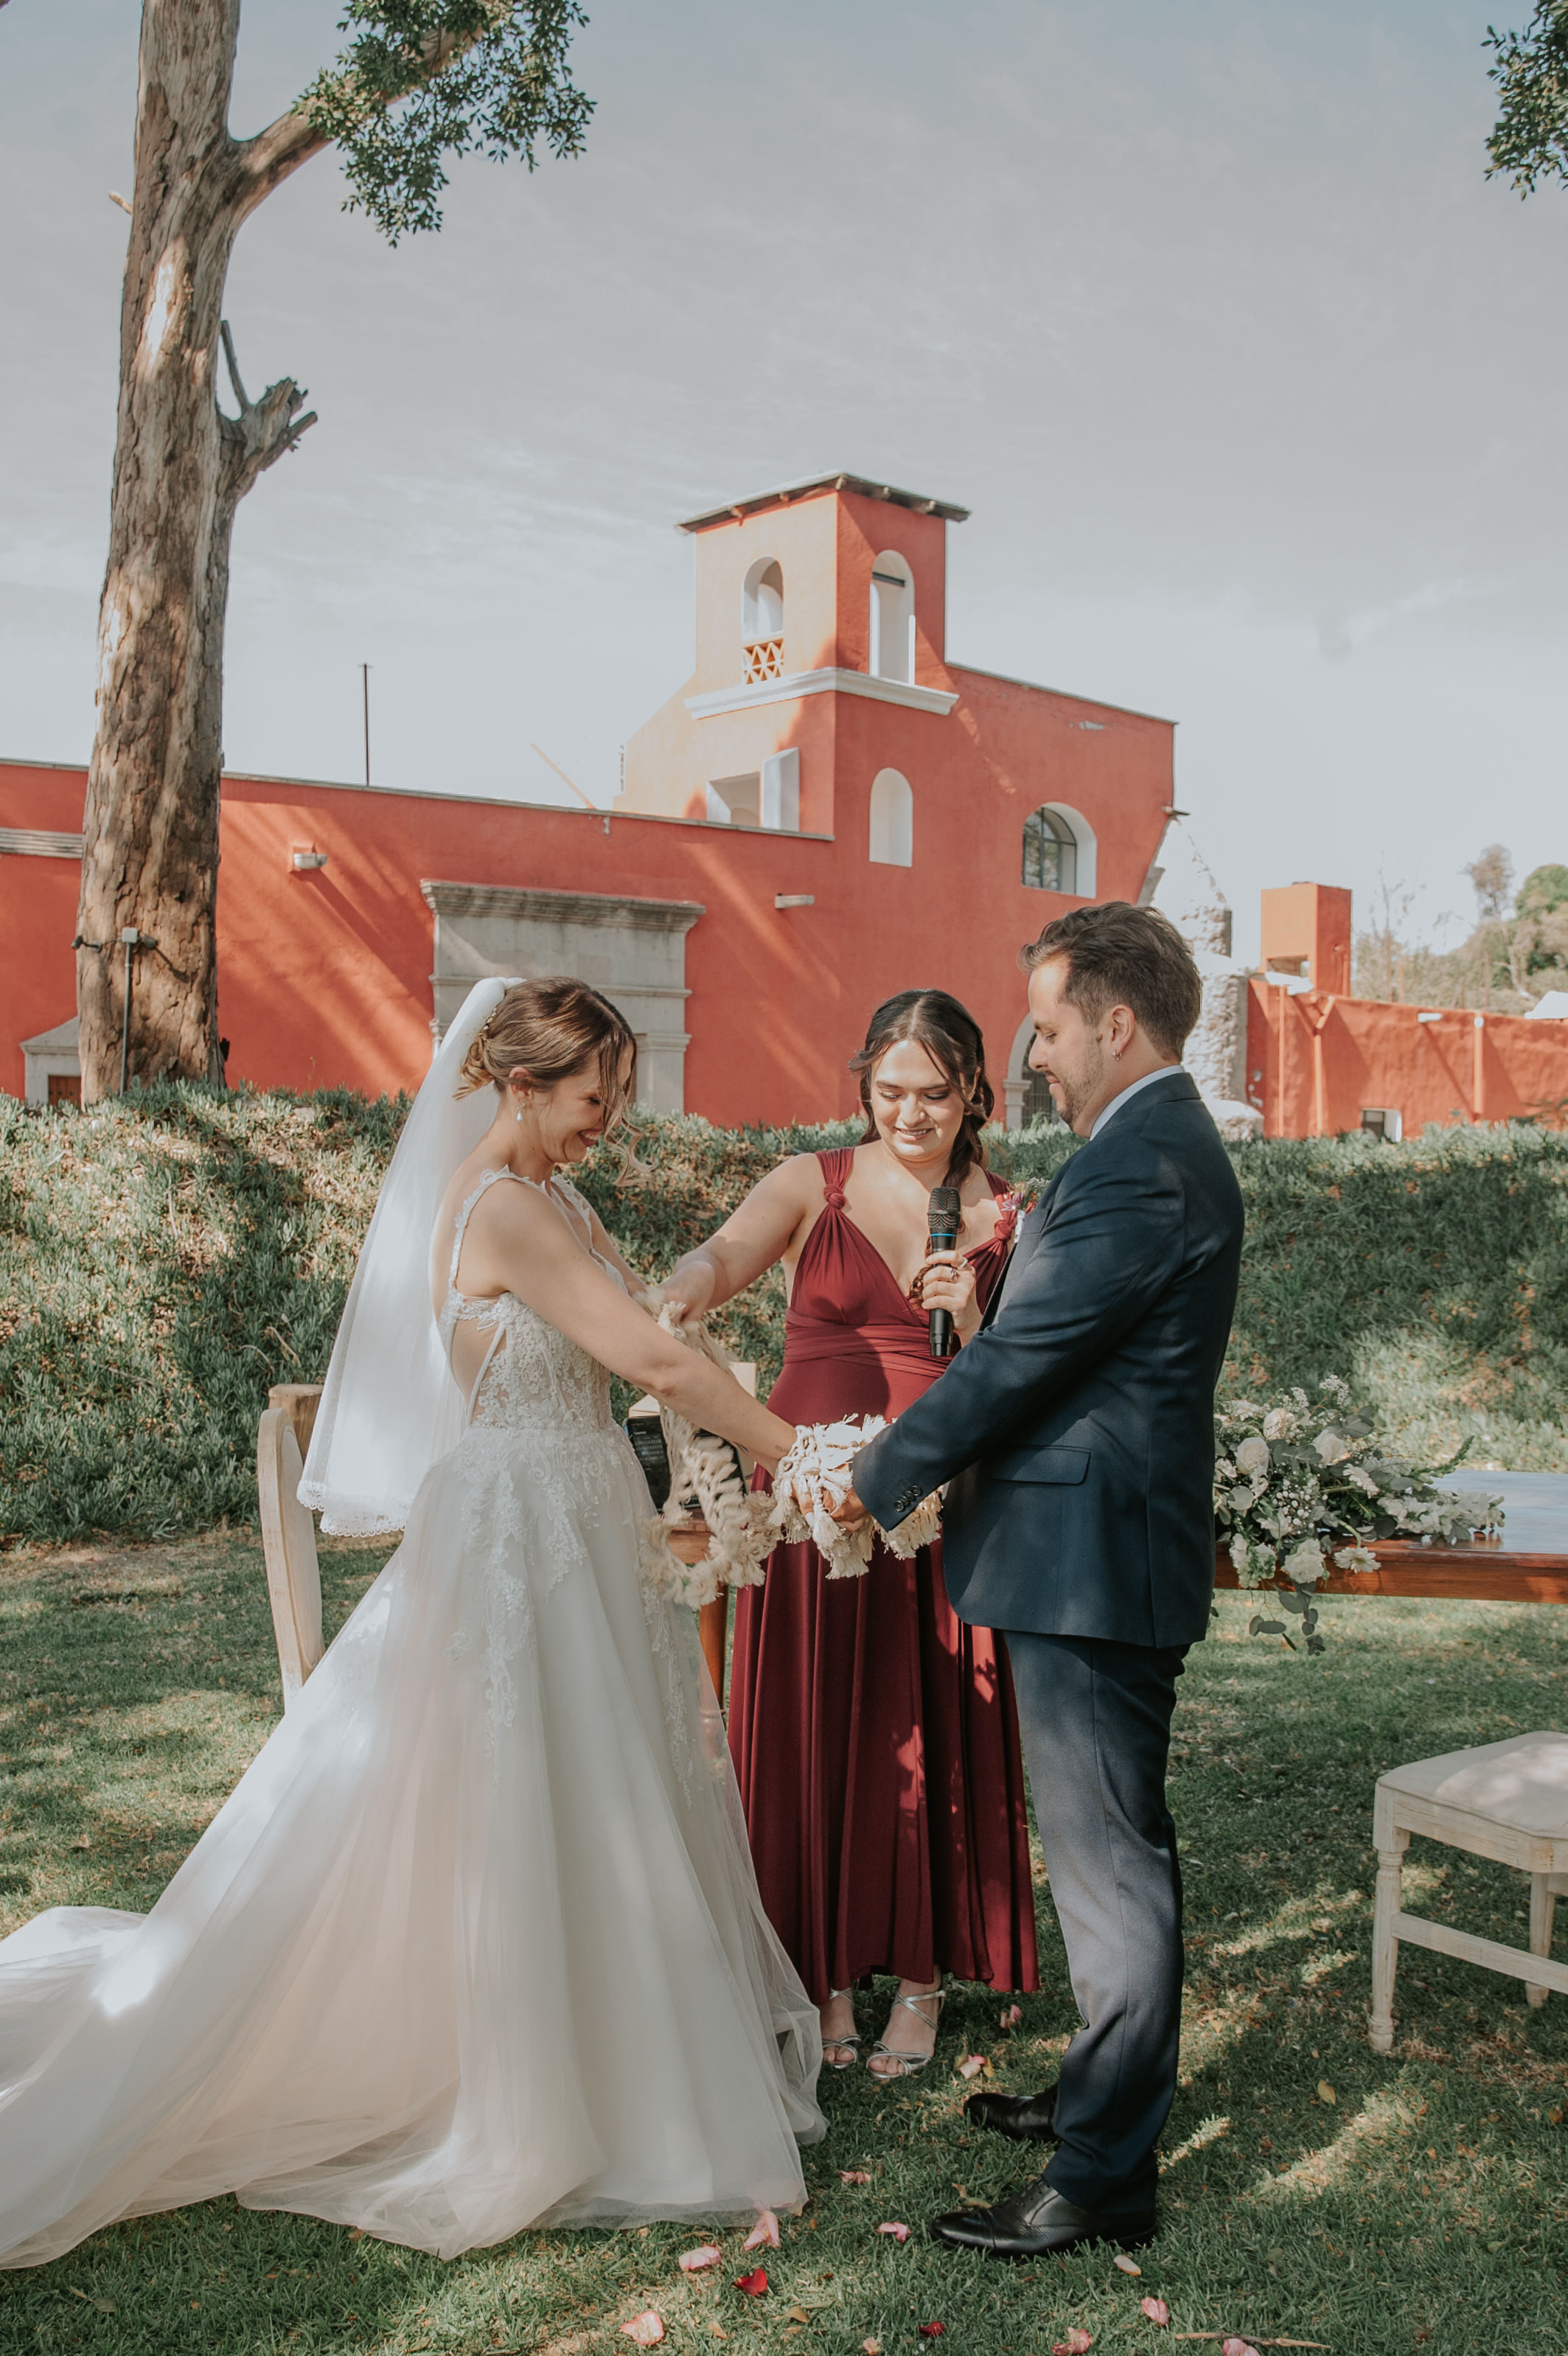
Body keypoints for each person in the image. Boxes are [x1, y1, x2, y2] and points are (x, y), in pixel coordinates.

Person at [0, 977, 823, 2271]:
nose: (609, 1118)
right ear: (522, 1083)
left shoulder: (558, 1196)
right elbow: (652, 1365)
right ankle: (538, 2095)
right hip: (519, 1532)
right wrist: (810, 1458)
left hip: (579, 1510)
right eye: (592, 1097)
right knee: (530, 1799)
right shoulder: (500, 1206)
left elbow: (657, 1321)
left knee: (598, 1789)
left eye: (615, 1096)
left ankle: (613, 2062)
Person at [847, 906, 1244, 2257]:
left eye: (1052, 1031)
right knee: (1103, 1862)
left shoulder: (1142, 1166)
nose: (1036, 1058)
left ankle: (1102, 2178)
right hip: (1087, 1561)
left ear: (1117, 1025)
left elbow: (1028, 1364)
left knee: (1112, 1874)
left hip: (1094, 1573)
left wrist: (874, 1472)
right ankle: (1101, 2099)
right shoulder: (1141, 1150)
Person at [659, 990, 1039, 2082]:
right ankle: (817, 1971)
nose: (909, 1115)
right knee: (813, 1722)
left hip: (938, 1499)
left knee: (927, 1717)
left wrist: (969, 1319)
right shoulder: (806, 1183)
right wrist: (684, 1288)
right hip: (809, 1497)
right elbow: (724, 1258)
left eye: (932, 1094)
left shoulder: (1010, 1214)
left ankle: (919, 1978)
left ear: (973, 1090)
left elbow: (1025, 1377)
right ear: (863, 1086)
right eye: (888, 1093)